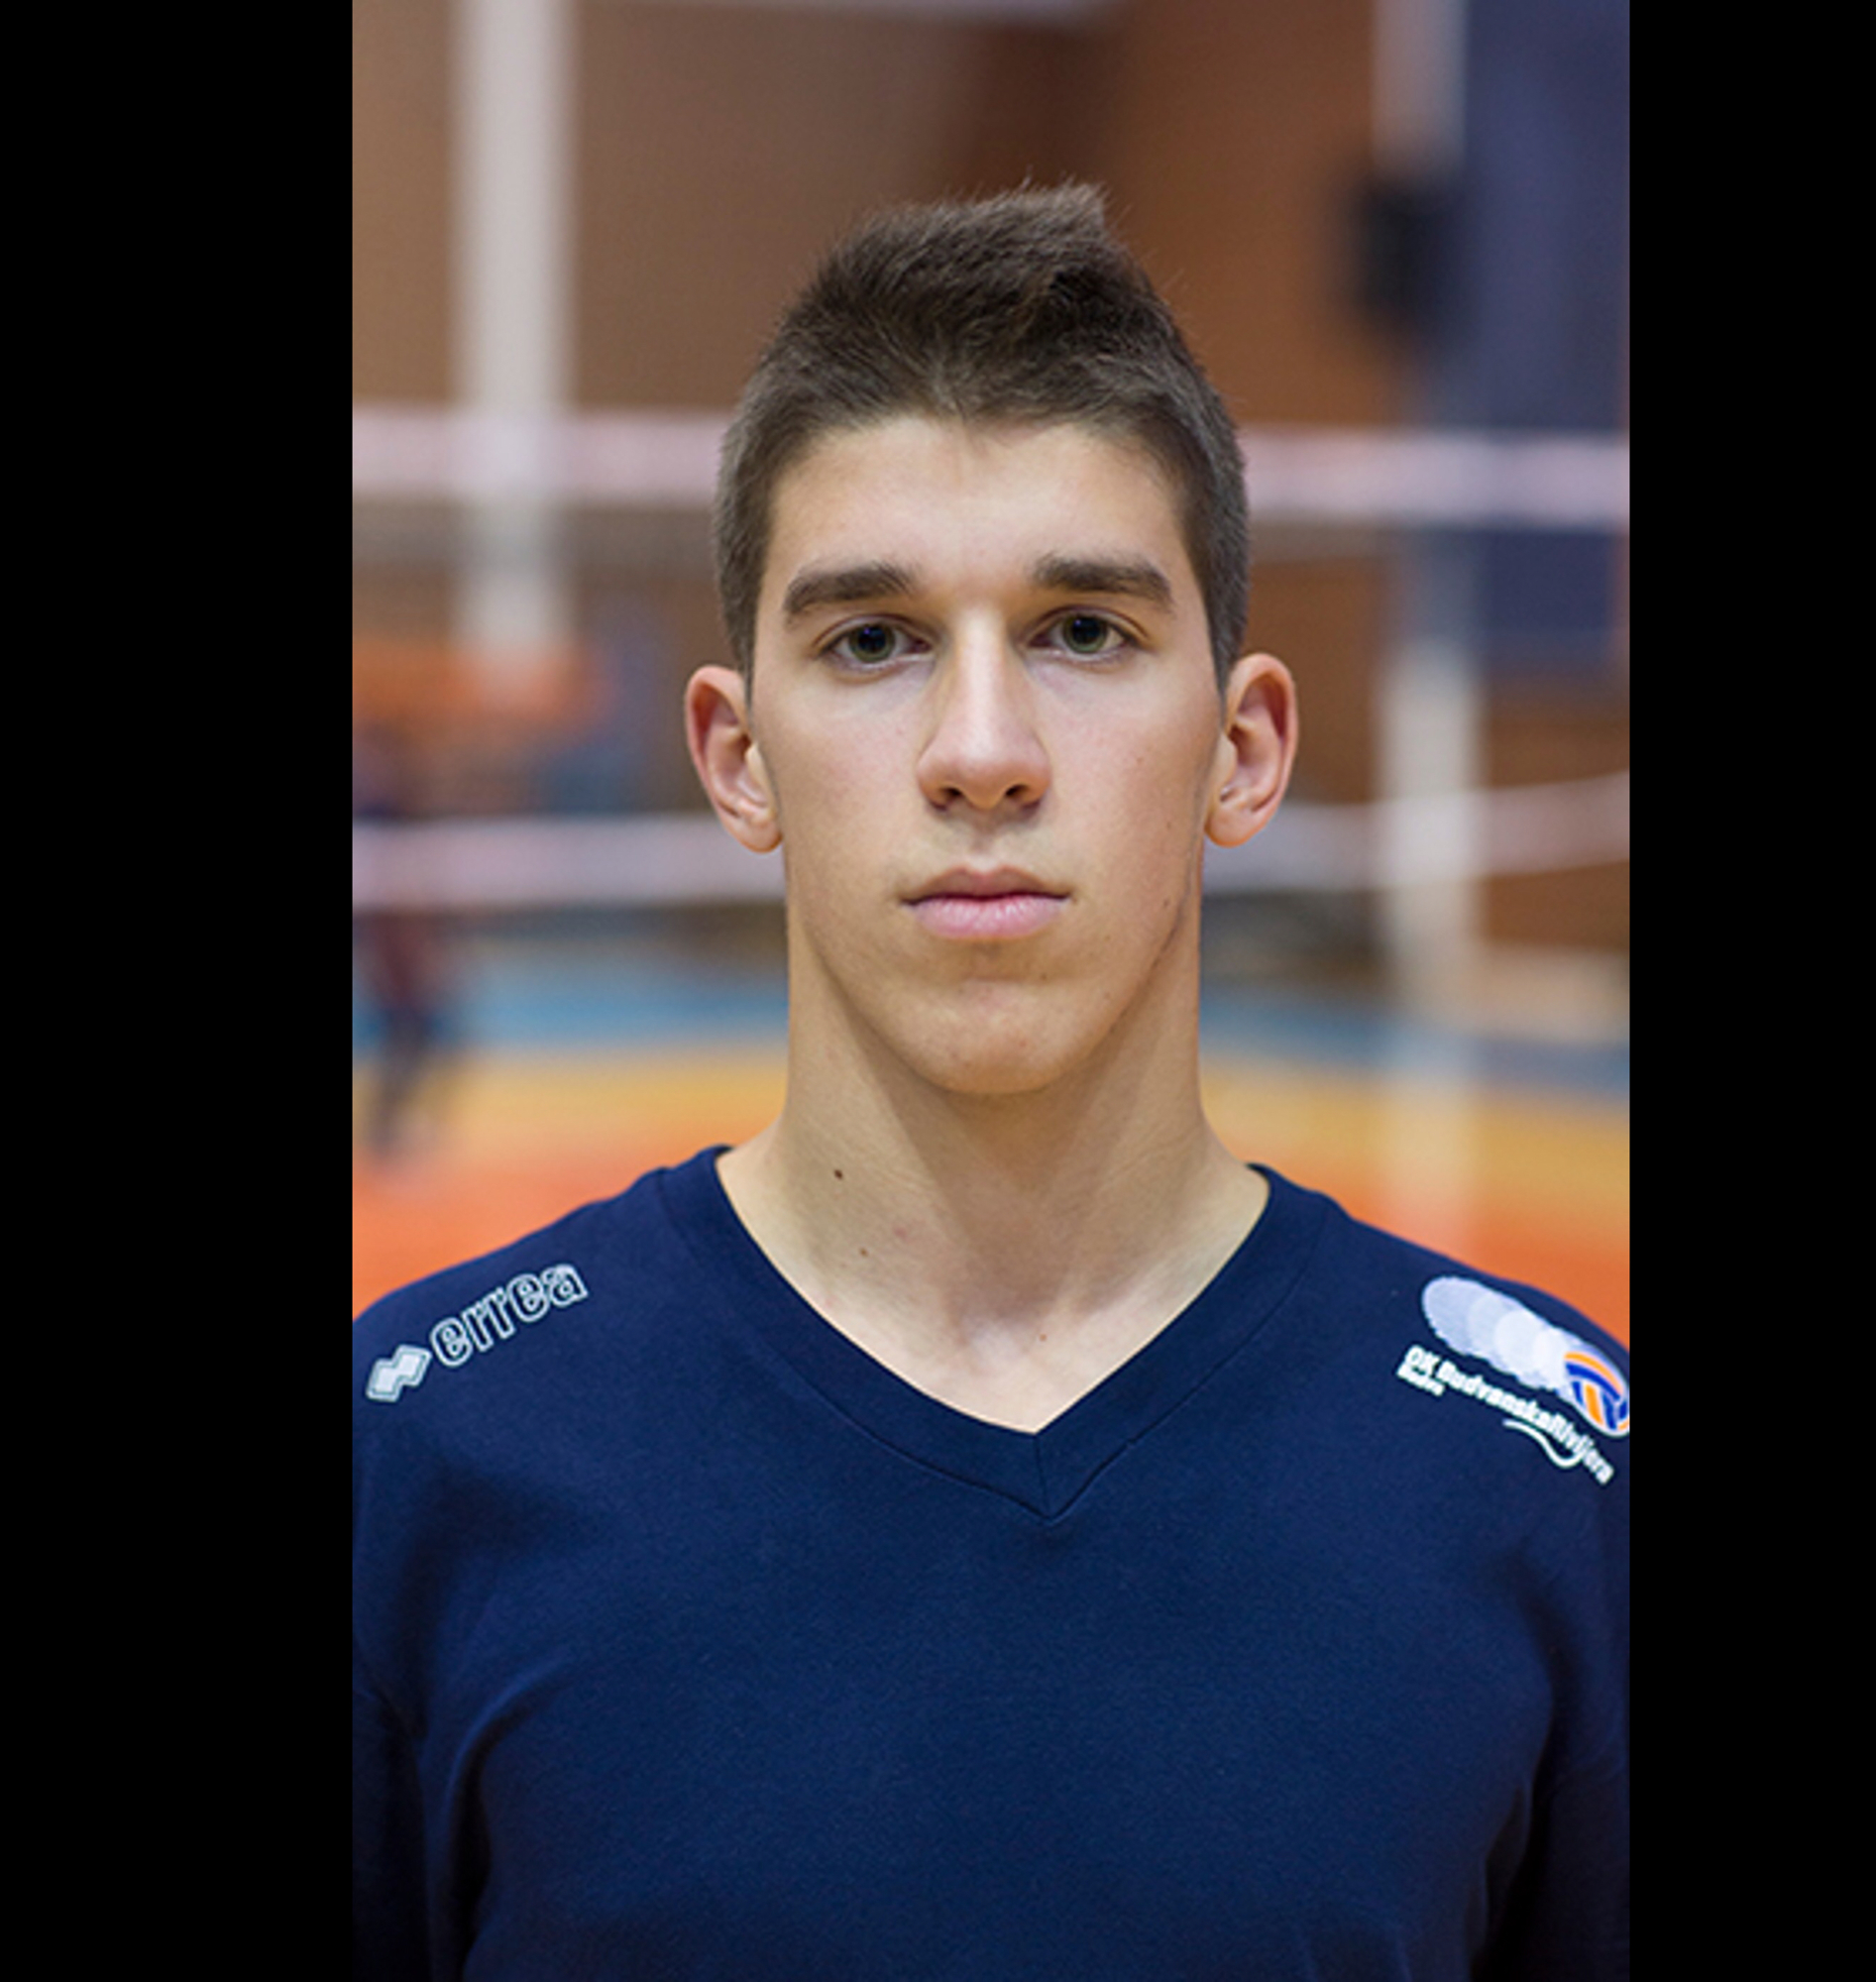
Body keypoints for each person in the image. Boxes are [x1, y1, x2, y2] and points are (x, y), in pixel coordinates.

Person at [353, 184, 1628, 1979]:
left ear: (1245, 747)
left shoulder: (1543, 1484)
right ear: (736, 757)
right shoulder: (418, 1459)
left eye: (1082, 631)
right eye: (871, 640)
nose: (980, 753)